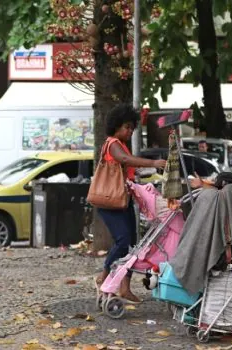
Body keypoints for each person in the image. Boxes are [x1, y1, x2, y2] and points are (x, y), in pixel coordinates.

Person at [95, 104, 167, 303]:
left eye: (132, 128)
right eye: (127, 127)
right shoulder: (113, 143)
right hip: (110, 201)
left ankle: (124, 287)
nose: (130, 131)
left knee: (131, 245)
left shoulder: (122, 144)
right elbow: (125, 159)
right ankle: (103, 277)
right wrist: (153, 163)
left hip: (122, 200)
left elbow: (127, 168)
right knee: (123, 240)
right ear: (116, 126)